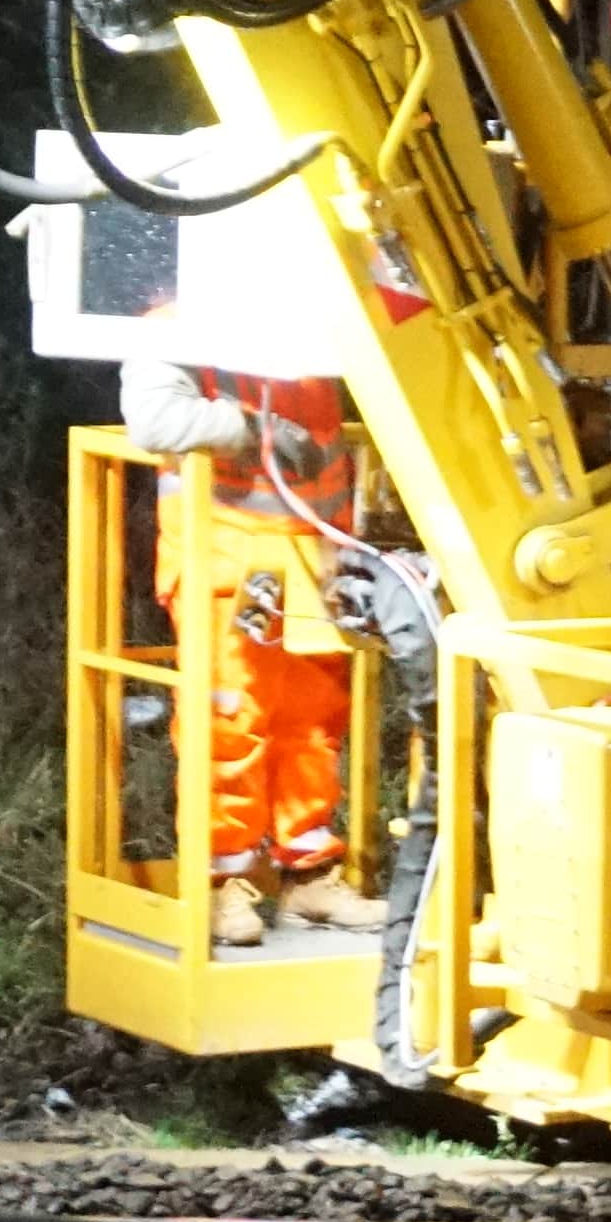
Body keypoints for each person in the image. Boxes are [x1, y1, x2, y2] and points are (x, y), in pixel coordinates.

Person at [125, 357, 380, 946]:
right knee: (230, 724)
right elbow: (155, 417)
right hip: (225, 560)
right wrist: (253, 430)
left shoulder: (306, 312)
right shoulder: (178, 322)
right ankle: (220, 882)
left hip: (314, 554)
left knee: (313, 723)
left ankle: (308, 873)